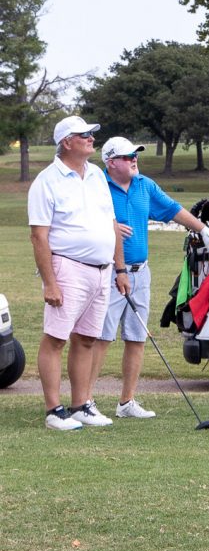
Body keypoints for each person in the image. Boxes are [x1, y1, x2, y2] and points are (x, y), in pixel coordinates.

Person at [88, 136, 209, 418]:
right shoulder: (97, 186)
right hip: (108, 274)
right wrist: (106, 227)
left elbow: (173, 210)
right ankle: (85, 402)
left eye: (135, 154)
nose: (134, 159)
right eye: (126, 156)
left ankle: (126, 402)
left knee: (136, 338)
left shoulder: (144, 185)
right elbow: (81, 221)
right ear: (110, 162)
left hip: (140, 273)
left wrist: (202, 229)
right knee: (101, 337)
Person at [28, 116, 129, 430]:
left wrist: (120, 268)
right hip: (67, 268)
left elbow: (110, 224)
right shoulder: (47, 181)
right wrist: (50, 283)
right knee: (56, 339)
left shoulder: (97, 174)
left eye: (91, 134)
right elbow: (39, 236)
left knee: (87, 339)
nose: (90, 138)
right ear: (66, 142)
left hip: (101, 270)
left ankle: (81, 404)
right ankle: (53, 410)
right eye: (83, 134)